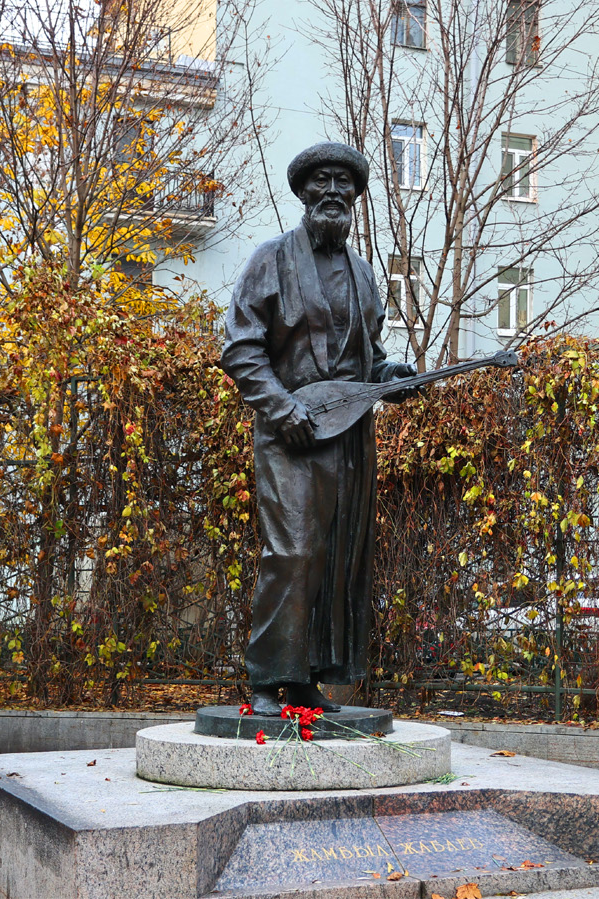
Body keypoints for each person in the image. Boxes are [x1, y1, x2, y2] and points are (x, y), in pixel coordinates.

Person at [221, 141, 417, 717]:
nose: (333, 191)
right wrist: (281, 409)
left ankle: (303, 678)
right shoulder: (271, 260)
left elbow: (368, 359)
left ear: (355, 196)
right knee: (293, 551)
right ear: (304, 192)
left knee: (333, 559)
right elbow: (241, 349)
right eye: (321, 181)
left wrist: (390, 377)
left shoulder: (364, 275)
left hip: (347, 436)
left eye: (343, 182)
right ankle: (266, 677)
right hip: (289, 435)